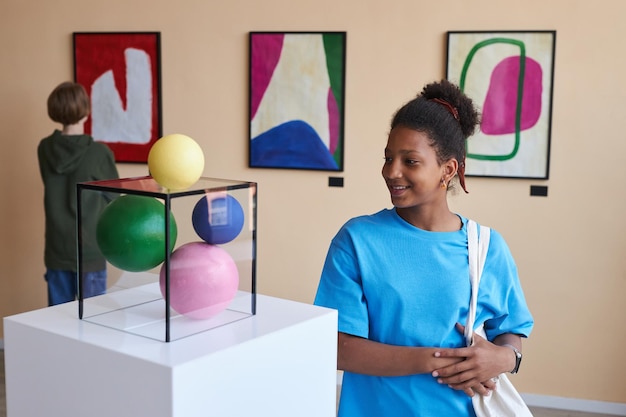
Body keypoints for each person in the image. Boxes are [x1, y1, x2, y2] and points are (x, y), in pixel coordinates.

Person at [314, 79, 534, 416]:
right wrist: (442, 360)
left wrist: (504, 358)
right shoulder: (357, 240)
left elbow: (510, 332)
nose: (392, 171)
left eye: (410, 161)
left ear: (448, 170)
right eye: (388, 158)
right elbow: (340, 348)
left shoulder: (486, 247)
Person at [38, 81, 119, 306]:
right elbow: (114, 196)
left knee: (58, 321)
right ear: (85, 112)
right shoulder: (99, 153)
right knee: (92, 322)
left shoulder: (44, 148)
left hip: (56, 248)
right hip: (90, 250)